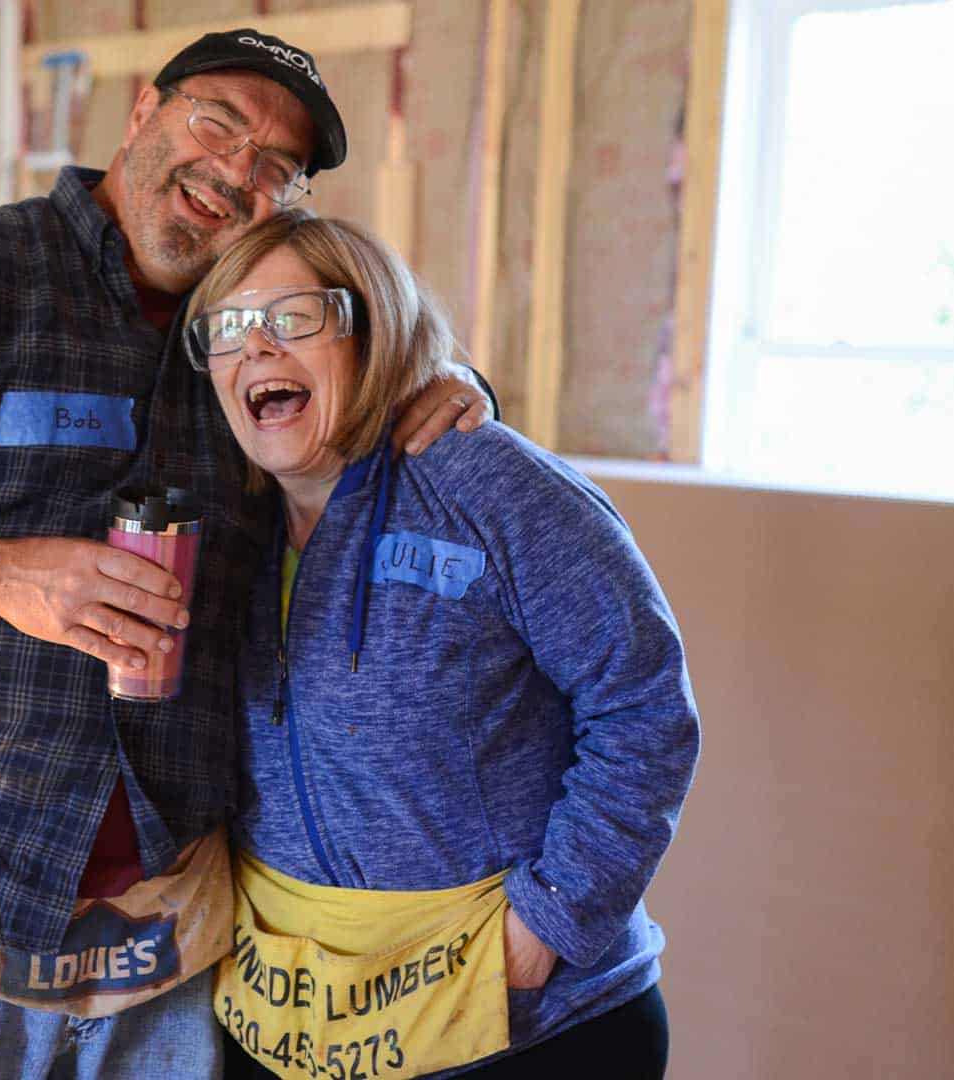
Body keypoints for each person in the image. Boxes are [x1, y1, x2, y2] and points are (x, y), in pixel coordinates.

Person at [0, 28, 490, 1080]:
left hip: (169, 903)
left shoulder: (262, 341)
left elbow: (389, 361)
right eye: (215, 123)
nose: (234, 172)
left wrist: (462, 383)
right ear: (143, 112)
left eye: (278, 167)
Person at [183, 213, 699, 1079]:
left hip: (527, 1029)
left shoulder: (486, 484)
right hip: (288, 1020)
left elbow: (644, 708)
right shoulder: (228, 526)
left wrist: (549, 924)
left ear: (371, 331)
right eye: (229, 327)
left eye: (295, 316)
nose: (258, 346)